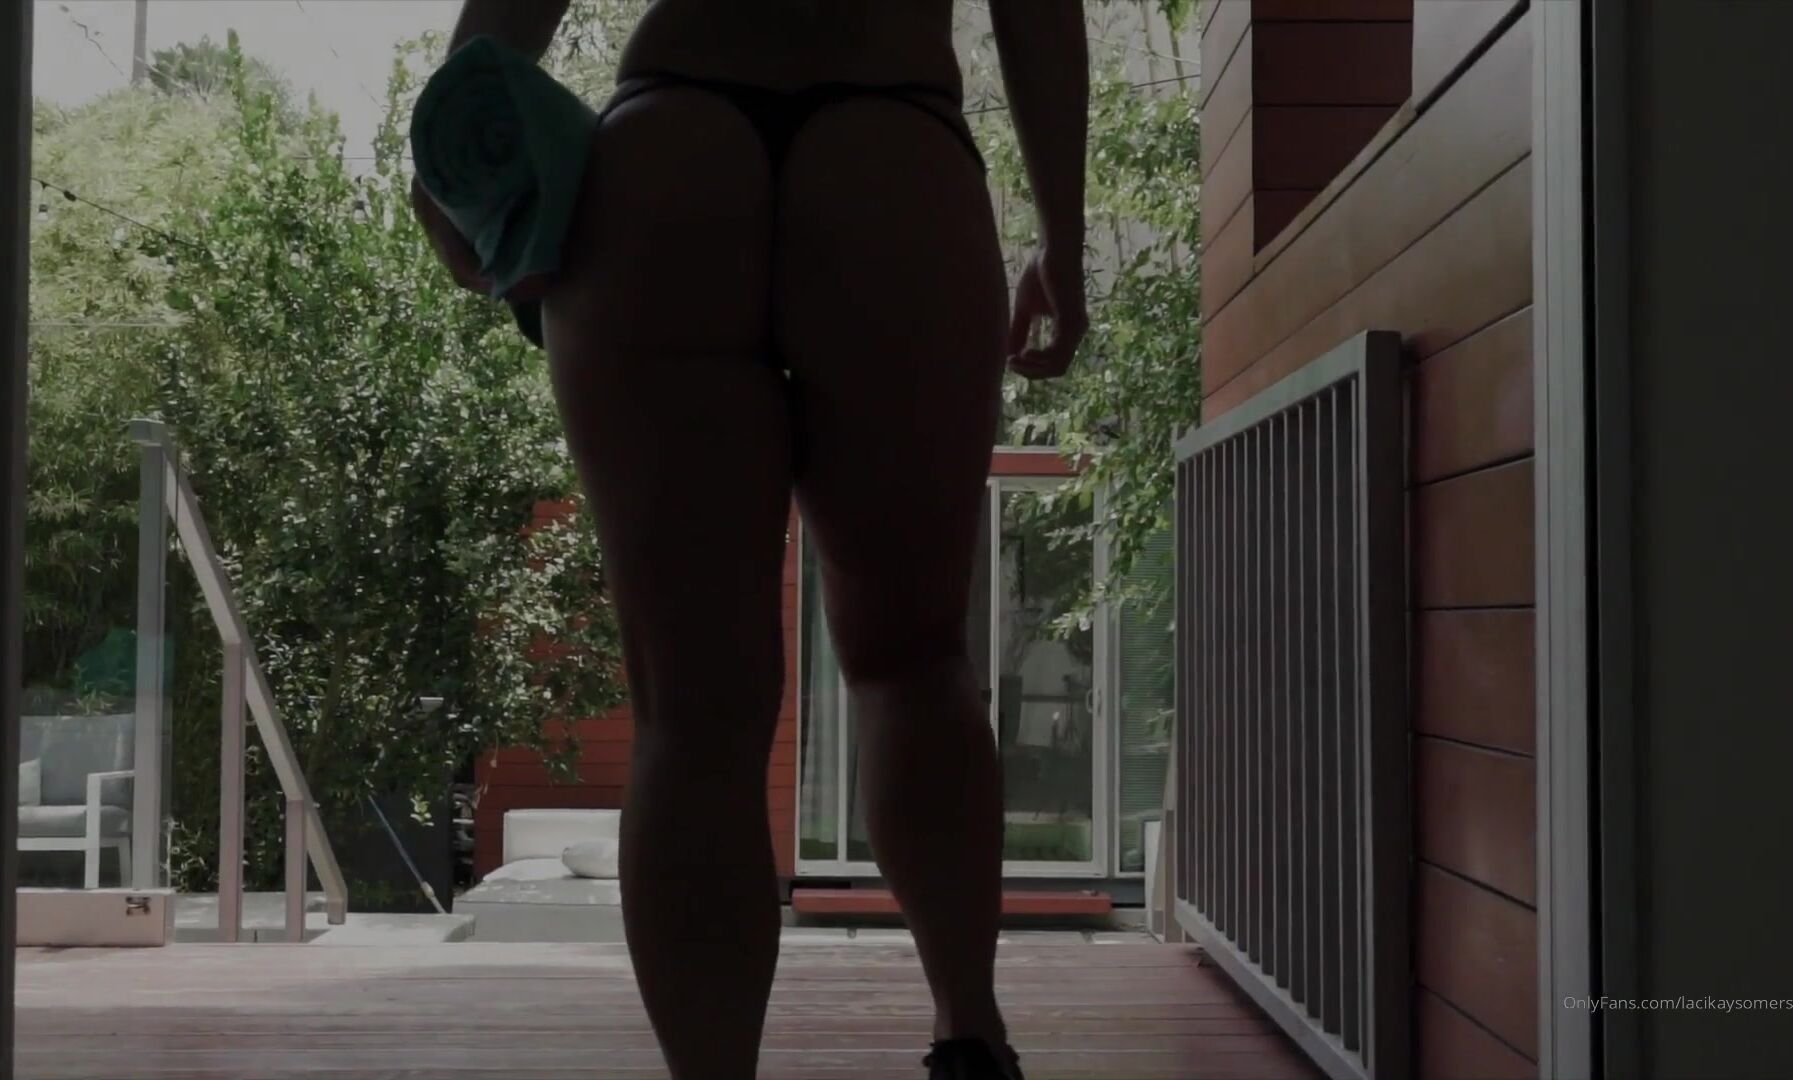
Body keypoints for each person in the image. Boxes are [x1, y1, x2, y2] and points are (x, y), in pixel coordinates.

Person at [412, 2, 1088, 1077]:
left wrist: (451, 130)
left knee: (691, 714)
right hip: (891, 145)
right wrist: (1062, 237)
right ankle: (970, 1040)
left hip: (667, 148)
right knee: (915, 661)